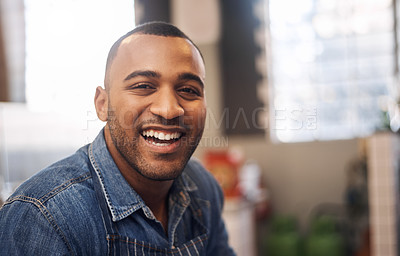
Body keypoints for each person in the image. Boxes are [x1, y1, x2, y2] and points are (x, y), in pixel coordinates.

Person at [0, 22, 236, 255]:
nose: (168, 109)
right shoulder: (44, 217)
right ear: (103, 105)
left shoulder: (204, 189)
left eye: (188, 90)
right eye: (143, 86)